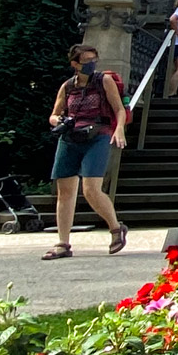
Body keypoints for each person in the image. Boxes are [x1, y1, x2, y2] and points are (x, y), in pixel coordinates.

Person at [42, 44, 128, 260]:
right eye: (86, 60)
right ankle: (63, 243)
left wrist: (118, 130)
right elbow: (54, 114)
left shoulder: (103, 81)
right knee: (65, 191)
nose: (91, 64)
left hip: (97, 136)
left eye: (93, 59)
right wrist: (59, 121)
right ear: (75, 64)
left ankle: (116, 229)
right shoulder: (67, 86)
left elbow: (119, 109)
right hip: (71, 138)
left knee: (91, 189)